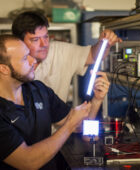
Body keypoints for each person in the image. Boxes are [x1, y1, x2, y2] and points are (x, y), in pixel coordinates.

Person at [0, 34, 110, 170]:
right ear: (4, 69)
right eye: (24, 58)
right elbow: (27, 162)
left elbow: (80, 126)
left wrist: (97, 99)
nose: (33, 60)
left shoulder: (39, 90)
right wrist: (69, 125)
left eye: (29, 54)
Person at [12, 10, 121, 102]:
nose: (44, 44)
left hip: (60, 125)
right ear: (19, 42)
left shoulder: (60, 51)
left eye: (46, 37)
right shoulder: (9, 65)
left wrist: (104, 44)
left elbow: (93, 55)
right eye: (35, 40)